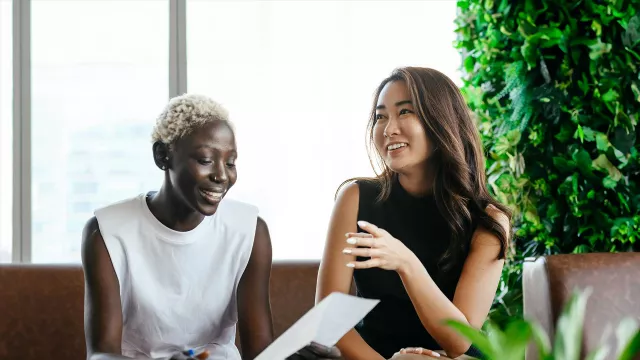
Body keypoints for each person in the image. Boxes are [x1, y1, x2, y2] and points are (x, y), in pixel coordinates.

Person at [81, 94, 340, 360]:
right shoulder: (107, 232)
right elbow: (101, 355)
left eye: (230, 163)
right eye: (205, 160)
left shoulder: (249, 231)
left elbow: (259, 352)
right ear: (162, 156)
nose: (222, 176)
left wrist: (294, 357)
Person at [315, 67, 511, 360]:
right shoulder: (355, 198)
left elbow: (461, 340)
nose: (388, 128)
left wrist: (407, 263)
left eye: (405, 112)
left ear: (441, 121)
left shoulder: (488, 221)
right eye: (381, 116)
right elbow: (329, 319)